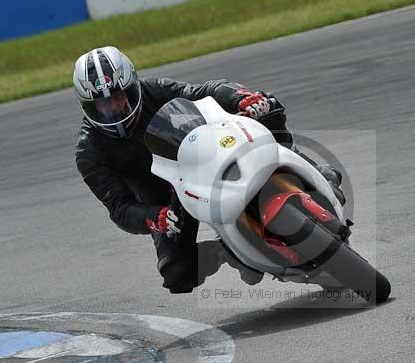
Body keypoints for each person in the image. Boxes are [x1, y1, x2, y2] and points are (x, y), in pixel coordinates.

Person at [73, 46, 343, 293]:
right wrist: (153, 217)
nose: (112, 109)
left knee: (266, 108)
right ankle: (227, 252)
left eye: (118, 97)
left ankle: (310, 167)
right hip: (165, 203)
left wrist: (240, 99)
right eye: (102, 104)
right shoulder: (89, 152)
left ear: (132, 87)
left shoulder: (153, 90)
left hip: (200, 161)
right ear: (88, 106)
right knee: (177, 273)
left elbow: (202, 92)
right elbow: (120, 208)